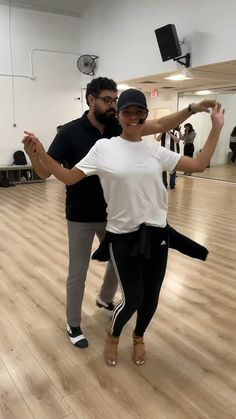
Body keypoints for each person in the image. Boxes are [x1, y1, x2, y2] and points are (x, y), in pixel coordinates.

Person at [22, 88, 224, 367]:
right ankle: (112, 335)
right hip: (120, 234)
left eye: (138, 112)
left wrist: (216, 126)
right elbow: (69, 178)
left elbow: (200, 164)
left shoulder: (154, 148)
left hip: (156, 235)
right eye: (126, 111)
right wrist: (41, 153)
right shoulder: (103, 148)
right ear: (118, 115)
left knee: (151, 297)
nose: (132, 117)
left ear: (144, 116)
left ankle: (139, 337)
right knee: (133, 296)